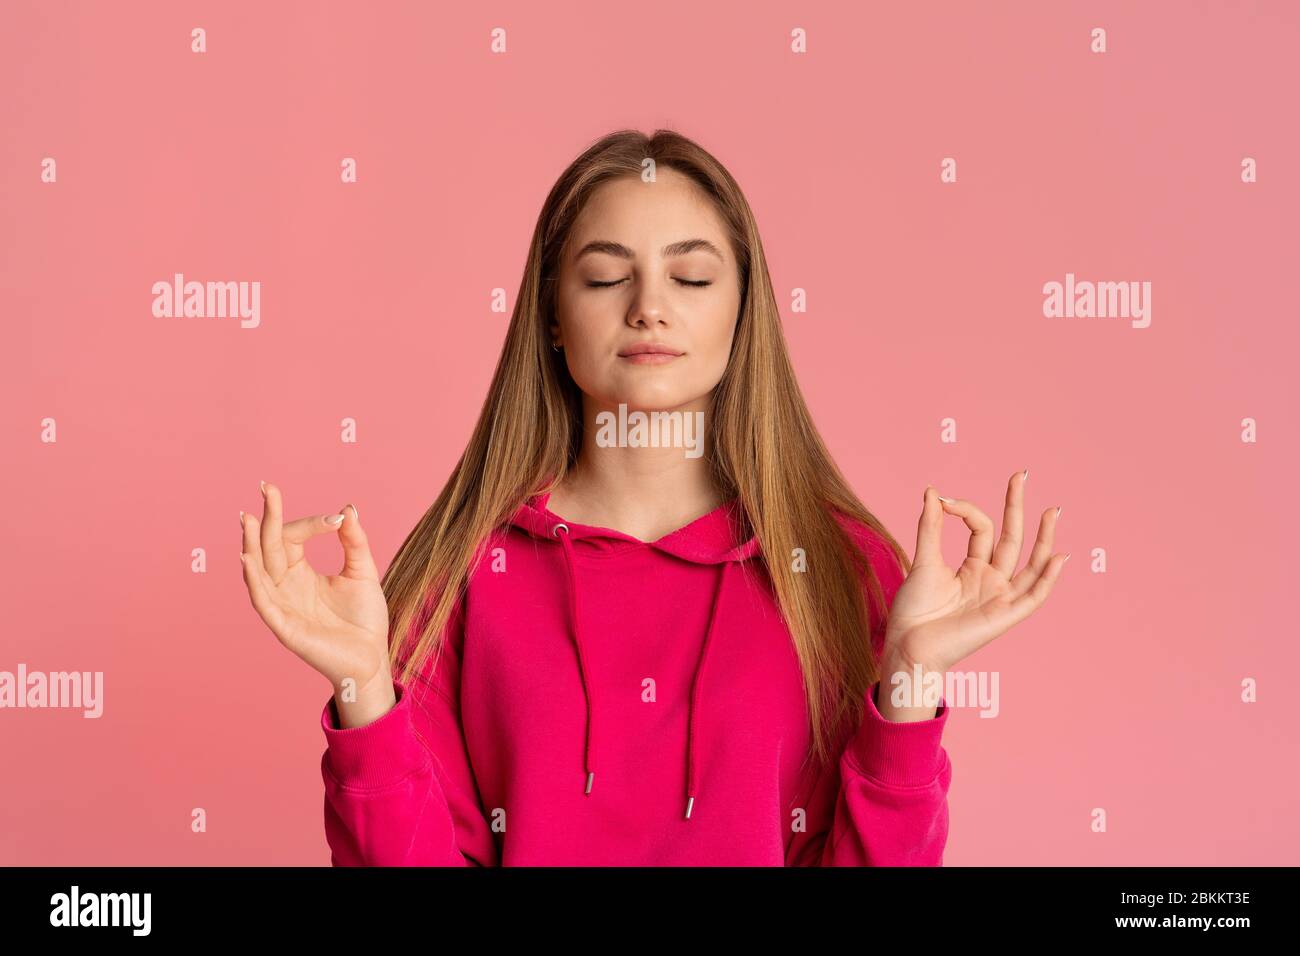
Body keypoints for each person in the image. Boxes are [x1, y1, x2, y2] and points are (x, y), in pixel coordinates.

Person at [238, 128, 1067, 866]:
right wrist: (365, 693)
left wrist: (913, 684)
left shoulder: (844, 568)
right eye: (604, 279)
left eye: (693, 278)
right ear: (552, 318)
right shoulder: (461, 569)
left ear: (745, 313)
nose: (649, 309)